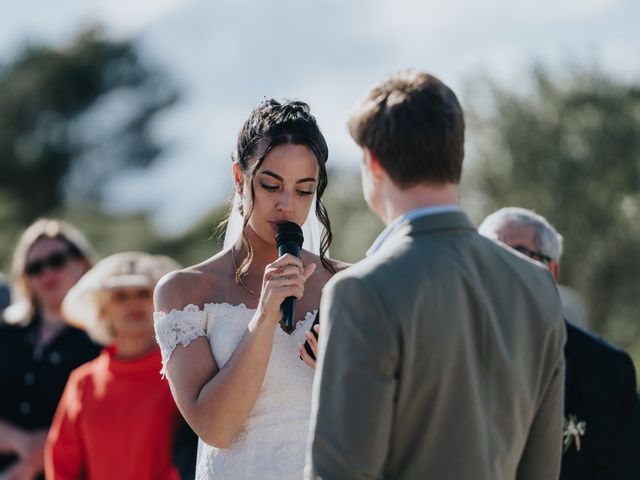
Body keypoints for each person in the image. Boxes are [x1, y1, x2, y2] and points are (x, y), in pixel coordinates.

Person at [305, 70, 566, 479]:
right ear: (457, 154)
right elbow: (543, 468)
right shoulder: (537, 285)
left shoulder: (361, 291)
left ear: (372, 162)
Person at [153, 99, 347, 479]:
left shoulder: (348, 285)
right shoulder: (184, 293)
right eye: (271, 185)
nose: (286, 205)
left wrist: (340, 372)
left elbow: (393, 422)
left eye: (304, 190)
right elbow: (217, 429)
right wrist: (265, 315)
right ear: (240, 178)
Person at [479, 206, 640, 479]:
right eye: (489, 254)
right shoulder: (452, 356)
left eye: (518, 254)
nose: (501, 268)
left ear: (551, 271)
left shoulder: (607, 370)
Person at [45, 251, 194, 480]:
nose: (133, 303)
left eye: (143, 293)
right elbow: (62, 466)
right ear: (103, 310)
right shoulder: (83, 382)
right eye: (120, 296)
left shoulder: (182, 371)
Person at [0, 219, 101, 479]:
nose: (47, 273)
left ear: (81, 263)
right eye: (35, 267)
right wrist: (22, 442)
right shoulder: (6, 334)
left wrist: (34, 462)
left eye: (56, 260)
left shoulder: (103, 338)